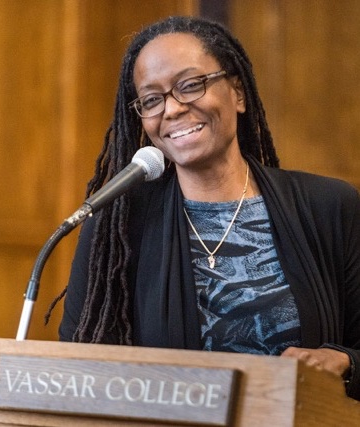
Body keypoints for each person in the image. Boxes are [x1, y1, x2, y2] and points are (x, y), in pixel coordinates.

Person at [55, 16, 360, 400]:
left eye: (190, 85)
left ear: (238, 92)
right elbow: (78, 370)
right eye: (152, 99)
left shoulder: (329, 207)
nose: (172, 109)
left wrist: (344, 364)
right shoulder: (118, 228)